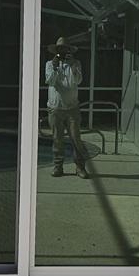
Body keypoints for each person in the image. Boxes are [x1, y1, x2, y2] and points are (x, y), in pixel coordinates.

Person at [45, 37, 89, 178]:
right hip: (55, 108)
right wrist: (56, 67)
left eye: (65, 49)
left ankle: (80, 167)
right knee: (57, 139)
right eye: (60, 50)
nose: (62, 52)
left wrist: (72, 66)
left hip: (72, 108)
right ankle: (58, 167)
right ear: (56, 51)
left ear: (69, 50)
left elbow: (78, 80)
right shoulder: (49, 64)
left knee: (76, 139)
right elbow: (50, 81)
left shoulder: (76, 64)